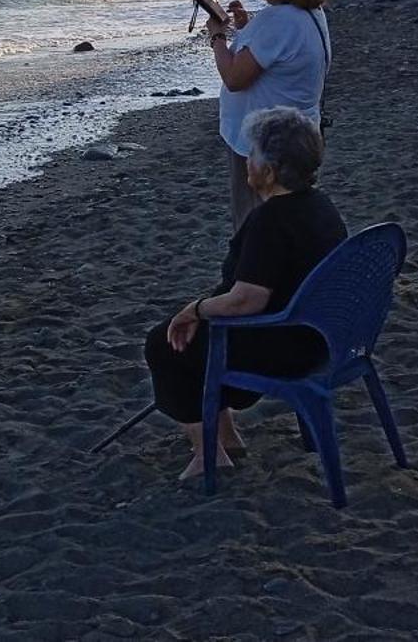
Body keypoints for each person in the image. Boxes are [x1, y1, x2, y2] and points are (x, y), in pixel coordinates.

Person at [143, 107, 347, 480]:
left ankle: (209, 452)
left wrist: (196, 309)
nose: (246, 162)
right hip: (321, 333)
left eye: (251, 155)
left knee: (164, 343)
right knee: (196, 334)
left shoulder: (271, 220)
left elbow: (247, 300)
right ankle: (227, 436)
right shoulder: (321, 206)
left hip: (284, 342)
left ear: (269, 171)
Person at [203, 0, 333, 230]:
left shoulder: (279, 21)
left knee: (254, 226)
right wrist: (248, 27)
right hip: (296, 136)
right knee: (286, 223)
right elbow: (278, 59)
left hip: (263, 144)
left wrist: (218, 36)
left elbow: (235, 78)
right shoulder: (310, 13)